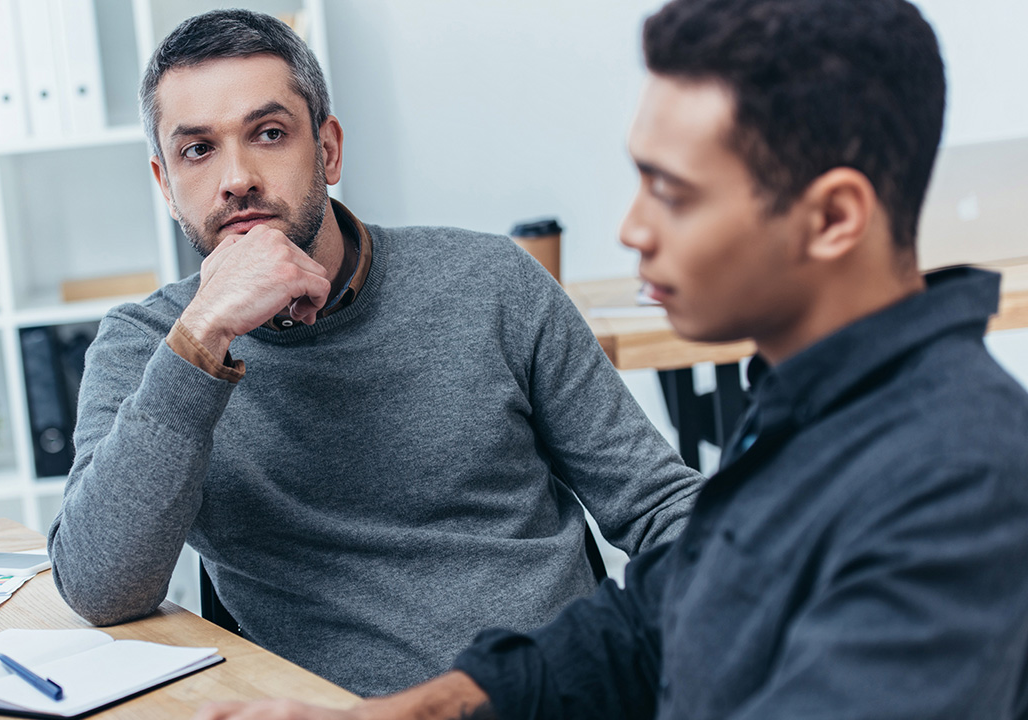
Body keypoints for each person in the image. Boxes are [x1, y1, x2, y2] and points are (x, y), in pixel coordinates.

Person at [192, 0, 1028, 717]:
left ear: (833, 217)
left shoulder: (959, 476)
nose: (631, 229)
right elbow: (657, 620)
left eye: (672, 190)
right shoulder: (815, 402)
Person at [46, 8, 702, 697]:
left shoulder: (492, 283)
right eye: (197, 150)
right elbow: (100, 588)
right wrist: (203, 336)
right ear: (165, 184)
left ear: (327, 149)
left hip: (545, 698)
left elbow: (661, 506)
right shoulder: (151, 345)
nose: (236, 178)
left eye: (269, 134)